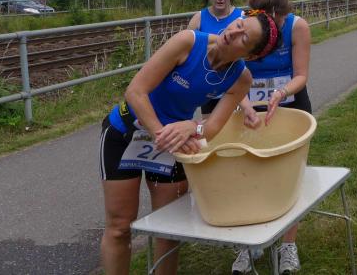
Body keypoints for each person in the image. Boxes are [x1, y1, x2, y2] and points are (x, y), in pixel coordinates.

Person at [99, 14, 281, 275]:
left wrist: (192, 127)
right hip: (127, 133)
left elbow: (212, 128)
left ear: (250, 55)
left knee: (168, 229)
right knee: (119, 226)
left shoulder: (241, 79)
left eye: (244, 38)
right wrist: (161, 134)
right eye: (238, 25)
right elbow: (136, 92)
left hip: (173, 143)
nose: (233, 32)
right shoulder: (188, 42)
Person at [203, 0, 311, 274]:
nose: (273, 27)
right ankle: (248, 244)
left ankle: (288, 244)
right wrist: (244, 103)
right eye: (266, 21)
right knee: (244, 171)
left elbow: (302, 74)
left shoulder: (298, 26)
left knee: (288, 175)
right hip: (247, 105)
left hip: (288, 102)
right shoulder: (242, 26)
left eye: (278, 20)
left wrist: (281, 93)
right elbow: (228, 72)